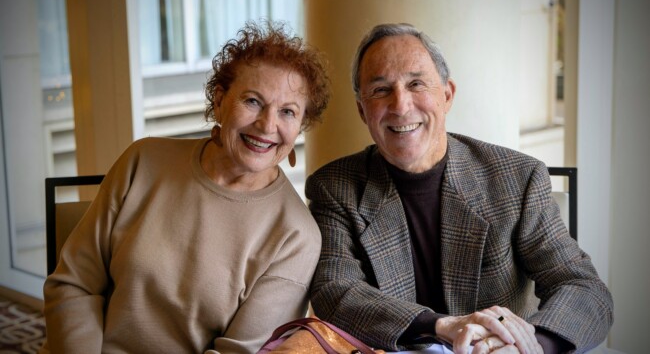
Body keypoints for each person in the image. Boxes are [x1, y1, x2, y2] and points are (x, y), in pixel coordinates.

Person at [306, 23, 613, 354]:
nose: (400, 105)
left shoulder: (517, 179)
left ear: (447, 95)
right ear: (362, 110)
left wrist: (532, 345)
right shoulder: (335, 187)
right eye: (380, 90)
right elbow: (335, 291)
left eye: (416, 84)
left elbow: (583, 287)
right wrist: (440, 325)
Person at [40, 21, 330, 354]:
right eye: (252, 101)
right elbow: (74, 284)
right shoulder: (143, 160)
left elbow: (236, 352)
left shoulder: (296, 236)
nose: (267, 125)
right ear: (220, 100)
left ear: (300, 125)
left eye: (287, 112)